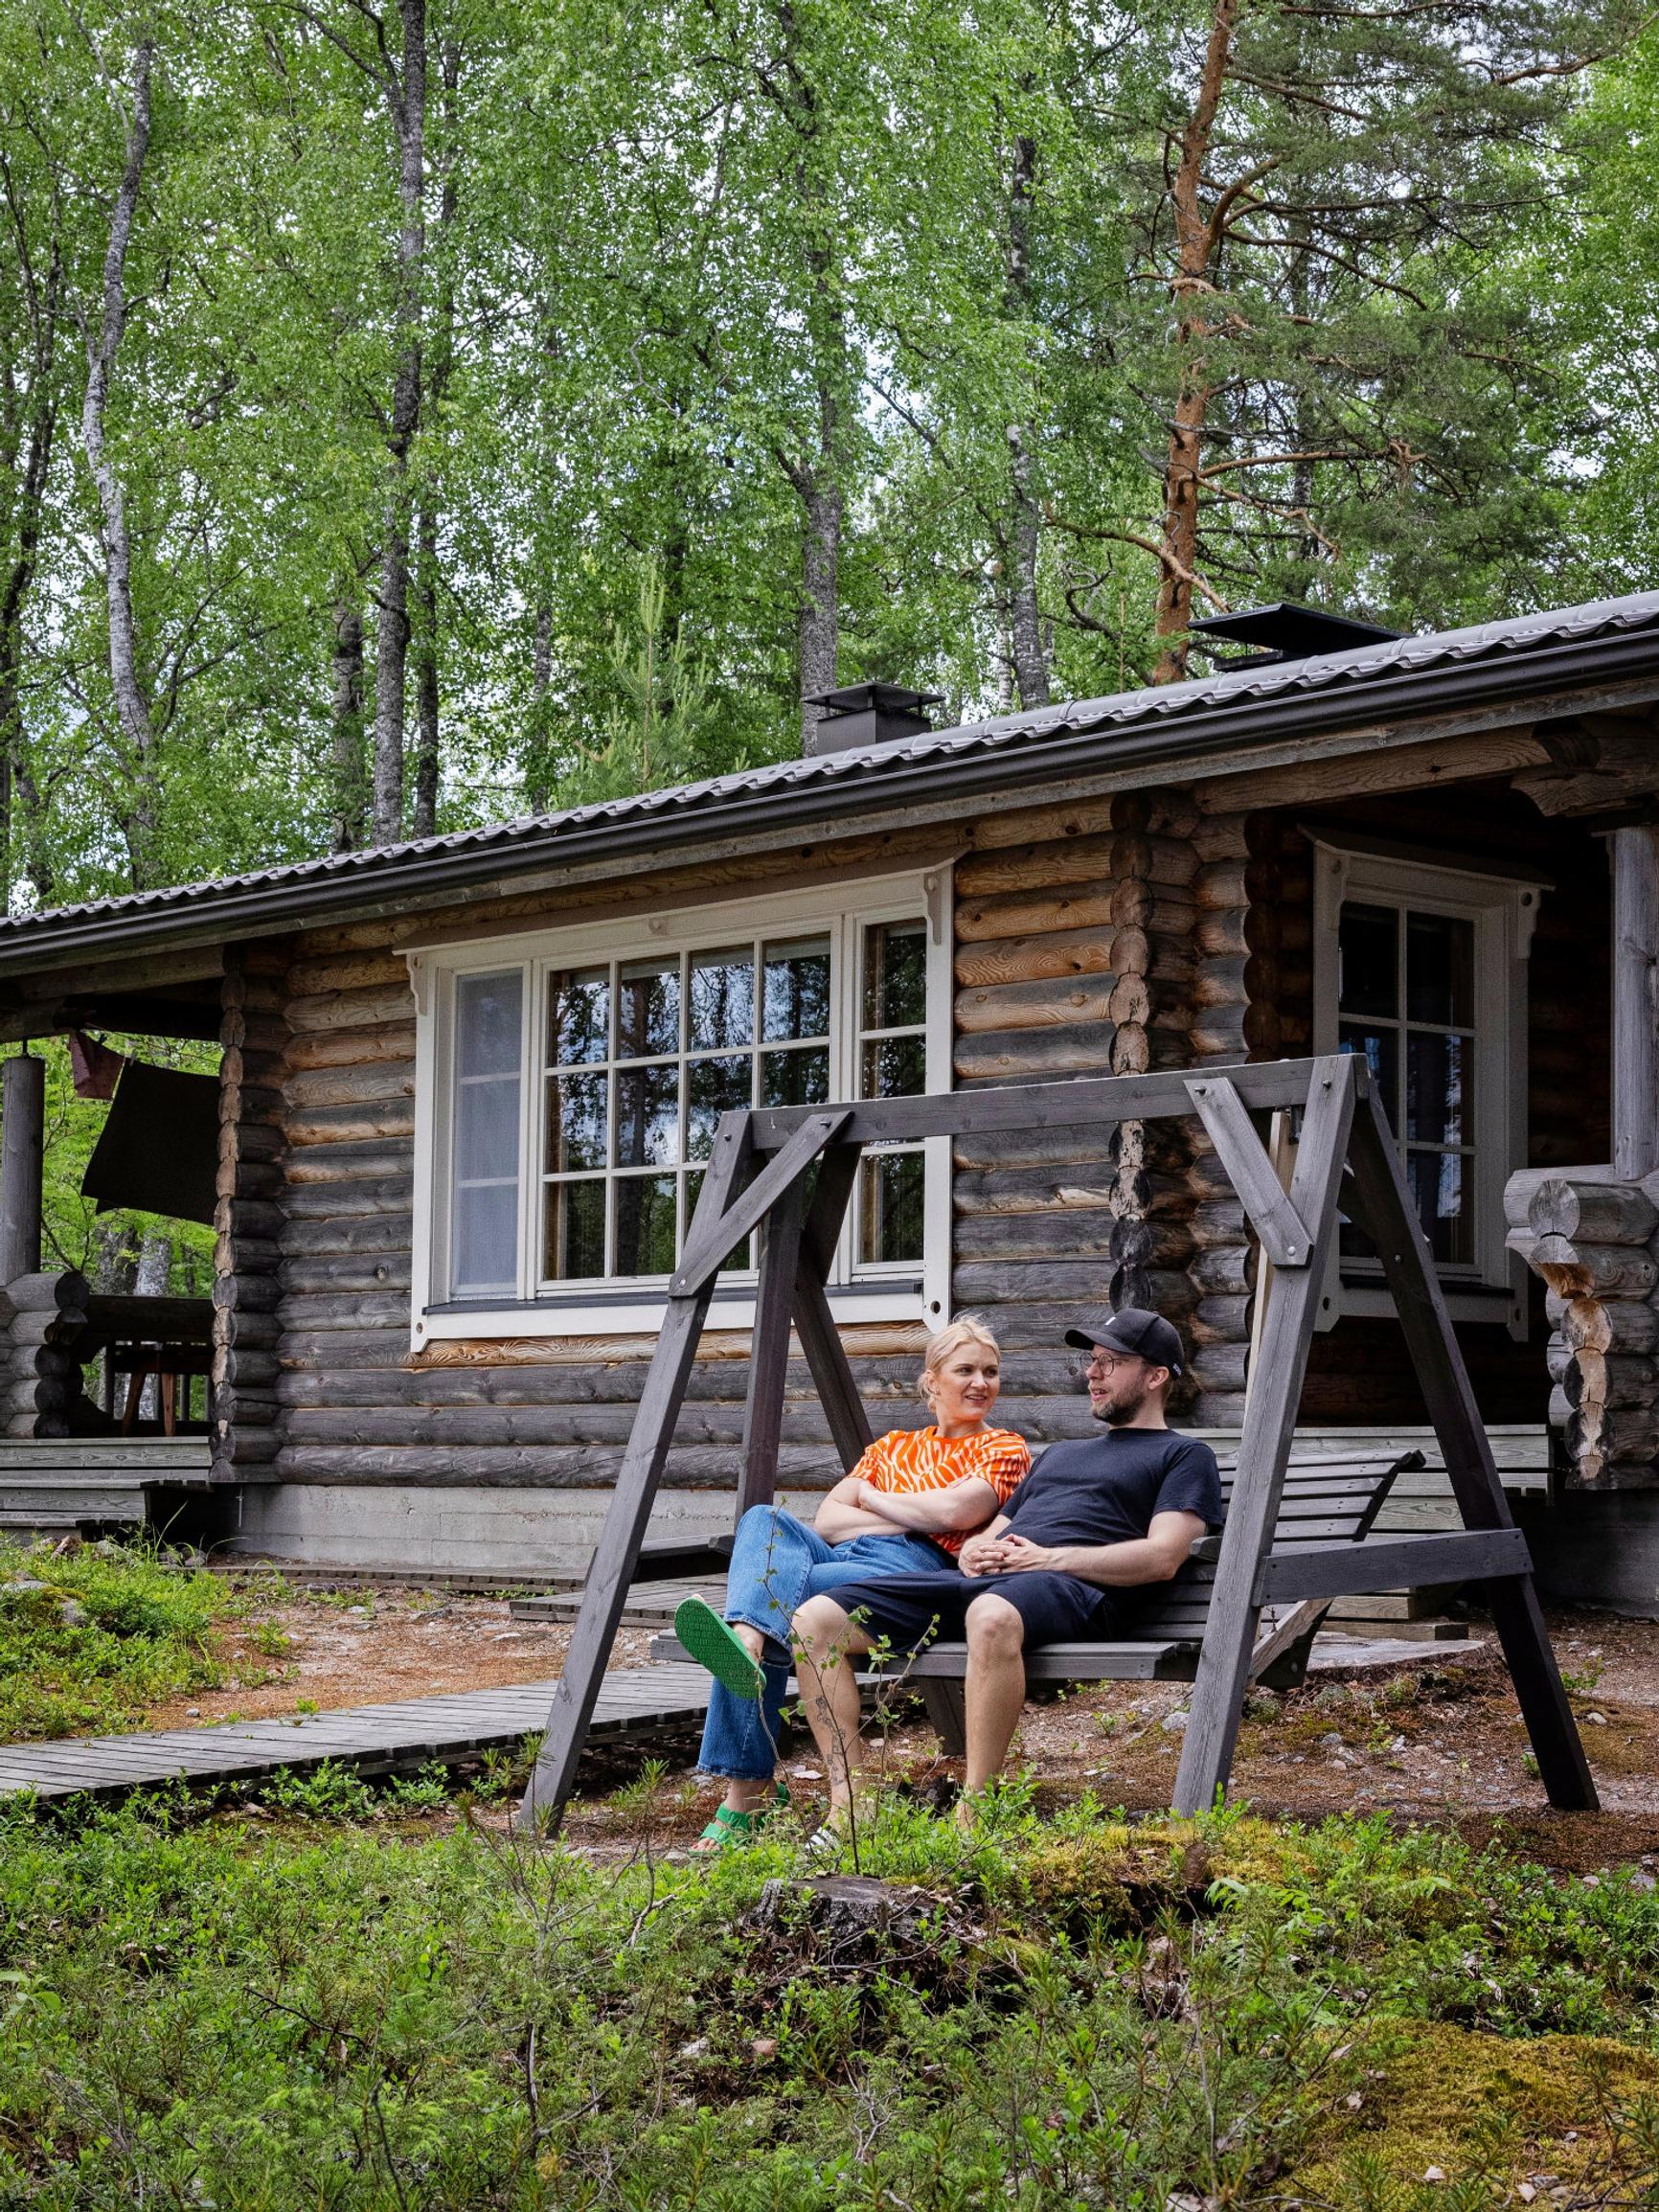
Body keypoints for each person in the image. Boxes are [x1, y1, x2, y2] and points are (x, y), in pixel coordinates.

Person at [791, 1306, 1223, 1834]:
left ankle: (974, 1815)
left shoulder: (1185, 1456)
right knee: (815, 1620)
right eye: (1092, 1361)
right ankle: (850, 1806)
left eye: (1110, 1363)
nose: (1092, 1373)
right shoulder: (1061, 1454)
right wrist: (976, 1550)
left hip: (1077, 1591)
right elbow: (999, 1527)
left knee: (991, 1614)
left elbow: (1162, 1557)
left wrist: (1046, 1559)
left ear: (1156, 1376)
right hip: (992, 1583)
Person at [675, 1316, 1030, 1850]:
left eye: (991, 1372)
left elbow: (960, 1511)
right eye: (965, 1370)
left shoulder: (1004, 1447)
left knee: (773, 1596)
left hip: (912, 1569)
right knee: (763, 1521)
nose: (981, 1382)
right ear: (932, 1381)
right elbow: (828, 1520)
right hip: (845, 1554)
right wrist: (917, 1512)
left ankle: (746, 1788)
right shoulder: (892, 1446)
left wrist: (878, 1502)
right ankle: (748, 1637)